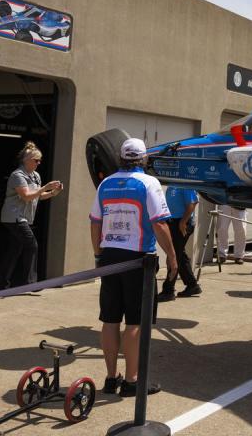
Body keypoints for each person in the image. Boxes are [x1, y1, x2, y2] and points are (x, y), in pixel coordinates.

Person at [90, 137, 176, 397]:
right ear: (144, 159)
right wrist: (172, 257)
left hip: (109, 258)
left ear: (121, 158)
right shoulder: (149, 183)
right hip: (139, 258)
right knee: (135, 322)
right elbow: (160, 224)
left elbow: (95, 222)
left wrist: (98, 254)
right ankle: (131, 380)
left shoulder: (105, 183)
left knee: (109, 319)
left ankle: (110, 377)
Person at [0, 141, 62, 291]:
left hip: (24, 218)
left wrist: (52, 193)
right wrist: (45, 187)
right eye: (36, 160)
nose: (38, 163)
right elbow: (26, 196)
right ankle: (30, 283)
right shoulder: (17, 175)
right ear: (26, 160)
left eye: (40, 160)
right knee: (32, 245)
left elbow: (37, 196)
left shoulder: (36, 176)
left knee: (14, 250)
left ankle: (0, 283)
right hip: (14, 217)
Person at [158, 186, 201, 299]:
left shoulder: (184, 184)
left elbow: (192, 203)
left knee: (174, 255)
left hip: (182, 223)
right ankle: (192, 285)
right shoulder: (171, 185)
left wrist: (183, 222)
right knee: (180, 254)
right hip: (172, 222)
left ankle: (168, 290)